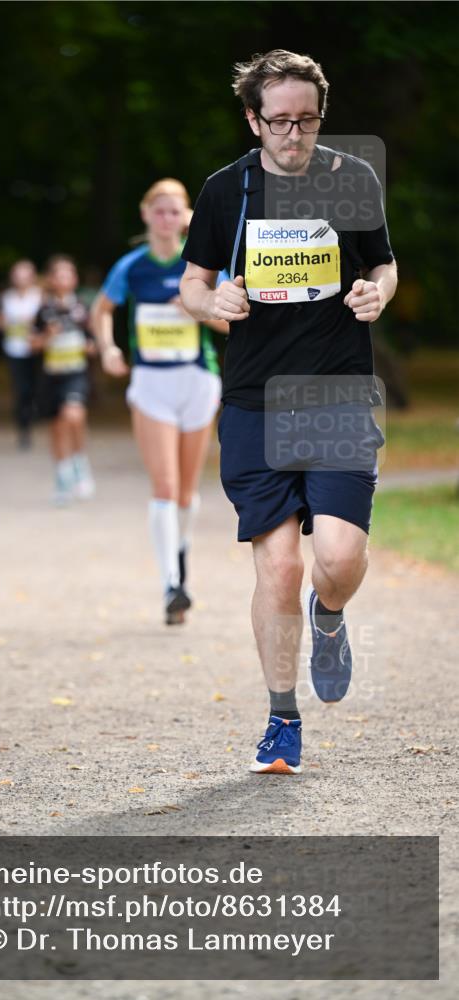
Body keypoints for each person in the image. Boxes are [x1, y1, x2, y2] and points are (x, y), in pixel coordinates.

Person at [180, 50, 397, 773]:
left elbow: (381, 263)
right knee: (277, 570)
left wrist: (377, 293)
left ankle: (329, 617)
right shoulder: (224, 192)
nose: (294, 135)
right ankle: (280, 720)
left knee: (335, 560)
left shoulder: (352, 180)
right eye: (279, 122)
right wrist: (212, 303)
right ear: (253, 120)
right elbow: (190, 285)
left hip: (335, 395)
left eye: (306, 120)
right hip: (254, 402)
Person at [91, 179, 228, 625]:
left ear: (187, 217)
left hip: (197, 382)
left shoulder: (204, 265)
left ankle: (180, 560)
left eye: (176, 212)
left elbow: (233, 321)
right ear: (146, 215)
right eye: (160, 211)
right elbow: (101, 310)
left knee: (187, 492)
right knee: (165, 487)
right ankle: (171, 584)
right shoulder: (132, 266)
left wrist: (198, 309)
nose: (168, 220)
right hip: (151, 385)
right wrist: (109, 350)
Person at [34, 255, 96, 505]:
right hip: (51, 375)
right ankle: (62, 476)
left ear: (74, 279)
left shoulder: (82, 307)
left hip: (76, 373)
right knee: (57, 427)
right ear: (50, 279)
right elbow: (32, 344)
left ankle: (80, 462)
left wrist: (89, 346)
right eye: (58, 274)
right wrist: (47, 337)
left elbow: (94, 342)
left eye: (68, 273)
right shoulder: (43, 310)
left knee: (74, 415)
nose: (63, 278)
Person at [0, 259, 42, 450]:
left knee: (36, 389)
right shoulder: (7, 298)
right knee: (21, 390)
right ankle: (24, 429)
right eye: (18, 275)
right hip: (15, 349)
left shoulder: (40, 297)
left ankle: (36, 413)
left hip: (37, 350)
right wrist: (8, 325)